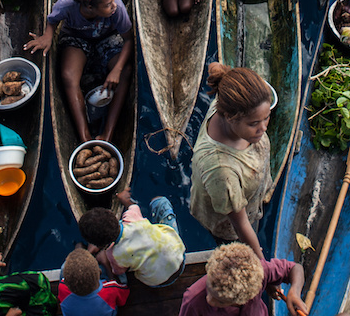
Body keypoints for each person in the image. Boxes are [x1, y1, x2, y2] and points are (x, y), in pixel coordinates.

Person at [24, 0, 133, 145]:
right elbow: (52, 21)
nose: (114, 5)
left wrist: (117, 70)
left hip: (107, 38)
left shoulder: (116, 8)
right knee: (68, 76)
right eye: (107, 5)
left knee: (126, 71)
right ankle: (85, 137)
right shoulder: (67, 4)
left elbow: (128, 39)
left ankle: (107, 134)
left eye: (112, 1)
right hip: (77, 37)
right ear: (90, 7)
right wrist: (47, 36)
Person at [189, 64, 273, 256]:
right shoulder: (221, 170)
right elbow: (241, 224)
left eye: (266, 118)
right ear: (229, 117)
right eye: (254, 124)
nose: (263, 128)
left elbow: (216, 67)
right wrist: (262, 264)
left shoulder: (227, 102)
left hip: (250, 190)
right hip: (230, 226)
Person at [78, 188, 187, 288]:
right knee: (159, 201)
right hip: (180, 258)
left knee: (116, 270)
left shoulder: (113, 255)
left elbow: (119, 271)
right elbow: (132, 206)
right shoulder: (132, 217)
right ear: (112, 215)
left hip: (158, 281)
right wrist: (123, 198)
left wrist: (104, 255)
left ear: (101, 245)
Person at [177, 243, 305, 316]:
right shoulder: (192, 301)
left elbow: (294, 269)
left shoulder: (259, 272)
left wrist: (295, 291)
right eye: (208, 286)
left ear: (244, 299)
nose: (209, 299)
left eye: (221, 301)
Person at [57, 248, 127, 316]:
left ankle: (87, 252)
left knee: (64, 267)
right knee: (122, 279)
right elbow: (123, 296)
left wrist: (77, 251)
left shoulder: (62, 287)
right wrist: (105, 263)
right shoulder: (110, 290)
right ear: (99, 272)